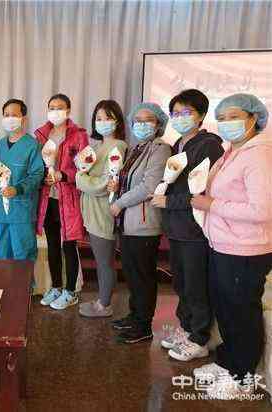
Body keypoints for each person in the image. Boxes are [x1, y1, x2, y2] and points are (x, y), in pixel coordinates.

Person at [191, 93, 272, 400]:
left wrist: (211, 204)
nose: (227, 123)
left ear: (254, 118)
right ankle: (228, 362)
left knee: (241, 313)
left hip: (247, 248)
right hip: (224, 244)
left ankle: (243, 376)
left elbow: (263, 210)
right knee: (225, 309)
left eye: (234, 117)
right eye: (222, 118)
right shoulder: (232, 152)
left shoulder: (259, 155)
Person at [150, 89, 224, 361]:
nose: (180, 117)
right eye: (175, 113)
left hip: (194, 229)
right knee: (181, 283)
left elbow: (204, 191)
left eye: (187, 112)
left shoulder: (209, 146)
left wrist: (169, 201)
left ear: (201, 115)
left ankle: (200, 338)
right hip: (176, 227)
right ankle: (187, 328)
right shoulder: (177, 144)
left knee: (196, 285)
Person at [108, 102, 171, 344]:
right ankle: (135, 316)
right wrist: (116, 186)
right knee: (133, 275)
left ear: (159, 124)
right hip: (128, 223)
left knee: (143, 276)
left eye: (148, 120)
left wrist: (120, 203)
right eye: (138, 121)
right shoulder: (137, 148)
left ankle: (143, 326)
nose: (142, 125)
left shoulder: (160, 149)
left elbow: (149, 186)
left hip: (144, 224)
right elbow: (129, 180)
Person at [76, 100, 128, 318]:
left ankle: (105, 305)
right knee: (100, 260)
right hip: (92, 211)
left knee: (105, 262)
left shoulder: (118, 146)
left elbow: (104, 184)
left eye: (108, 118)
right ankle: (101, 300)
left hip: (103, 212)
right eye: (99, 118)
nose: (103, 122)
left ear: (117, 121)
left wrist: (80, 178)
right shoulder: (96, 147)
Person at [36, 94, 87, 310]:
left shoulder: (78, 135)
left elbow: (85, 168)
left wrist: (63, 175)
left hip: (68, 199)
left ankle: (70, 291)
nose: (55, 111)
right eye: (52, 107)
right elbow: (35, 165)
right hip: (48, 198)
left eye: (60, 107)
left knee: (69, 245)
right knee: (53, 245)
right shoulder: (41, 135)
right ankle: (56, 287)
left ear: (68, 110)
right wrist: (43, 177)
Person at [0, 99, 44, 261]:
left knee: (23, 255)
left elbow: (37, 175)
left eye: (14, 115)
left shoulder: (32, 145)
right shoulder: (0, 145)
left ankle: (24, 280)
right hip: (1, 210)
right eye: (6, 115)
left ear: (24, 119)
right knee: (2, 254)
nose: (9, 118)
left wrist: (17, 189)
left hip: (22, 210)